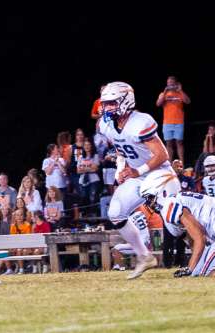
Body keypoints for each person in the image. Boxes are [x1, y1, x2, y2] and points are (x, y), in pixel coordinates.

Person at [98, 81, 172, 279]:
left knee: (176, 221)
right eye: (105, 103)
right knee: (115, 213)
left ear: (125, 101)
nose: (106, 108)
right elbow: (121, 148)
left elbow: (162, 155)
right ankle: (144, 256)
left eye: (112, 103)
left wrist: (137, 171)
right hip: (138, 174)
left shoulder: (141, 121)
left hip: (160, 174)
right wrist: (121, 169)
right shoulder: (106, 124)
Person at [140, 170, 215, 277]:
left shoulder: (169, 205)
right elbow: (194, 242)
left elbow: (200, 237)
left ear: (163, 191)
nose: (149, 204)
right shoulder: (181, 198)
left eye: (150, 198)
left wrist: (189, 269)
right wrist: (194, 269)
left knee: (208, 272)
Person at [156, 76, 191, 163]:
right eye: (168, 83)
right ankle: (169, 164)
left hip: (179, 122)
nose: (170, 84)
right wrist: (164, 92)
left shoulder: (180, 93)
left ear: (176, 83)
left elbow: (188, 101)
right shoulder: (163, 94)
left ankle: (182, 164)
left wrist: (180, 90)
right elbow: (158, 104)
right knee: (168, 143)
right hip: (167, 122)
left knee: (179, 143)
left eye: (172, 83)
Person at [76, 140, 101, 215]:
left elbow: (95, 169)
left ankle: (94, 217)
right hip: (82, 181)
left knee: (92, 199)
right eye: (85, 145)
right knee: (84, 199)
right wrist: (90, 167)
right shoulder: (80, 157)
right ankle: (86, 217)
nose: (87, 146)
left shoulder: (95, 156)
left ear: (91, 146)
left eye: (88, 145)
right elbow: (78, 171)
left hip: (93, 180)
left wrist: (83, 168)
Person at [9, 209, 32, 274]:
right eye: (17, 215)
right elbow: (12, 239)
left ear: (24, 216)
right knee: (9, 251)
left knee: (19, 250)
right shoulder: (13, 226)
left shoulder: (27, 225)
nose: (19, 217)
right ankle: (13, 267)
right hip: (16, 245)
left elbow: (28, 238)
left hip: (26, 246)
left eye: (21, 215)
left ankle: (21, 269)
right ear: (15, 217)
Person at [67, 128, 86, 194]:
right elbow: (68, 162)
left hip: (86, 171)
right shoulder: (71, 147)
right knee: (80, 192)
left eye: (81, 134)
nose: (80, 136)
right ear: (75, 136)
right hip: (74, 174)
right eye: (78, 135)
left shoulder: (87, 145)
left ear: (84, 136)